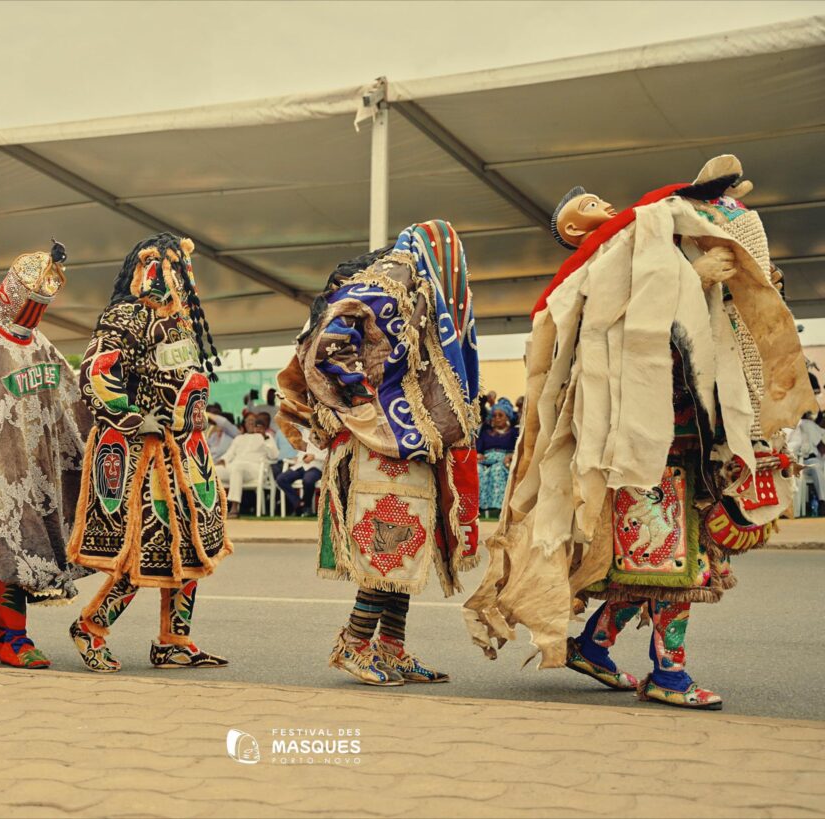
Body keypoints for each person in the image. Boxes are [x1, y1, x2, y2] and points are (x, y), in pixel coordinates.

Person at [464, 155, 815, 710]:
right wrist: (692, 281)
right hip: (650, 447)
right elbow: (630, 338)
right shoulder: (594, 278)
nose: (605, 207)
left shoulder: (651, 253)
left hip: (686, 444)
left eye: (602, 203)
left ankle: (594, 645)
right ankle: (668, 673)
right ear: (573, 231)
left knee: (655, 563)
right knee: (671, 565)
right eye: (590, 210)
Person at [277, 220, 480, 687]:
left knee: (406, 552)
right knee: (387, 544)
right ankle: (353, 644)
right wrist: (372, 406)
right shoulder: (387, 288)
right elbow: (331, 349)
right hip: (378, 446)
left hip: (409, 448)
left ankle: (392, 649)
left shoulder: (415, 300)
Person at [67, 233, 231, 672]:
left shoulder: (179, 322)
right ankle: (90, 626)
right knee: (145, 548)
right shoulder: (125, 317)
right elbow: (96, 371)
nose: (174, 276)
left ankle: (174, 640)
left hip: (186, 453)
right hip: (145, 456)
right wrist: (133, 417)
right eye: (166, 267)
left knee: (191, 549)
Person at [0, 242, 93, 669]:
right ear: (12, 294)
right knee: (16, 543)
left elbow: (67, 392)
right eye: (31, 305)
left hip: (37, 468)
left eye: (41, 308)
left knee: (28, 540)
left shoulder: (39, 342)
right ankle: (14, 637)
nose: (34, 315)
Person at [216, 413, 278, 517]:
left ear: (257, 423)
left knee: (237, 467)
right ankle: (215, 507)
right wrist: (222, 460)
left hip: (254, 470)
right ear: (244, 424)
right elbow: (229, 454)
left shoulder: (265, 437)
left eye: (253, 421)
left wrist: (264, 438)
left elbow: (274, 456)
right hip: (235, 468)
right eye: (248, 421)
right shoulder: (239, 438)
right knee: (214, 471)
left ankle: (234, 508)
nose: (250, 423)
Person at [477, 397, 518, 517]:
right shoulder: (485, 432)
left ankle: (496, 508)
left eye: (501, 415)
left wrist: (511, 455)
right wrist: (478, 455)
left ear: (507, 417)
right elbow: (478, 450)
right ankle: (480, 508)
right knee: (477, 470)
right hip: (486, 460)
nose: (497, 418)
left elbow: (519, 449)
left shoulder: (513, 433)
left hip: (503, 461)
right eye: (494, 415)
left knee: (497, 470)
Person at [276, 440, 326, 516]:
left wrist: (315, 457)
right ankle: (299, 503)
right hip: (301, 466)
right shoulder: (305, 434)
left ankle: (307, 507)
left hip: (316, 466)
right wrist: (301, 457)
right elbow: (300, 453)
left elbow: (329, 455)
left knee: (308, 480)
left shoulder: (326, 436)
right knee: (281, 479)